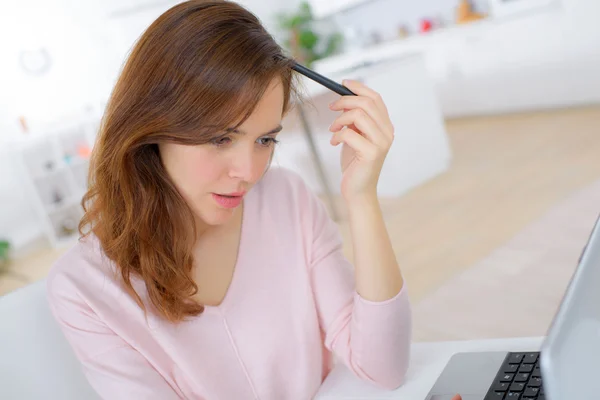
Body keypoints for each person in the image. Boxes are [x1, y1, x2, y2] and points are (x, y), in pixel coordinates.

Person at [46, 1, 416, 399]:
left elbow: (383, 367)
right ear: (152, 127)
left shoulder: (287, 199)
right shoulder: (84, 287)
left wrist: (361, 198)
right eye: (219, 138)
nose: (248, 171)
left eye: (264, 140)